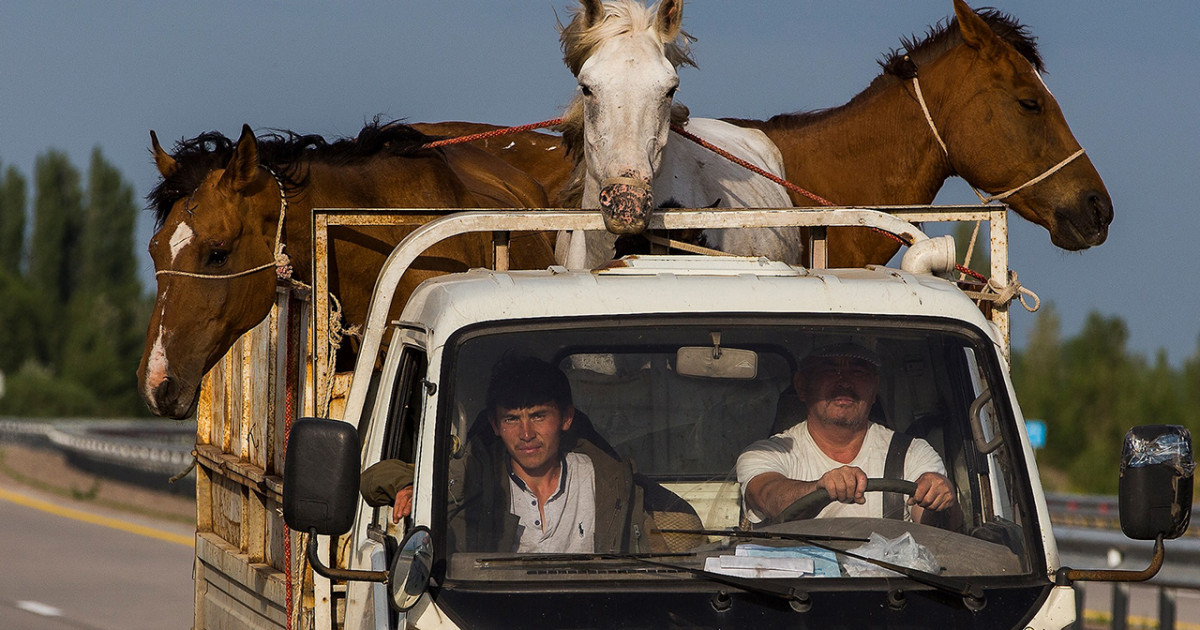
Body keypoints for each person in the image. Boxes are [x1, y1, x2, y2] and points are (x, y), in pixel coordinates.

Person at [361, 355, 664, 554]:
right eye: (511, 419)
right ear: (494, 424)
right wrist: (413, 485)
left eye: (539, 415)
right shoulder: (477, 477)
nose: (526, 433)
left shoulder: (605, 478)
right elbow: (373, 478)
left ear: (566, 418)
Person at [736, 342, 961, 527]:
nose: (843, 381)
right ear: (802, 386)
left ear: (874, 390)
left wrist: (941, 501)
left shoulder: (913, 453)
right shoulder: (766, 454)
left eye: (857, 371)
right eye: (829, 369)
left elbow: (938, 533)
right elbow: (768, 496)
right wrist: (818, 489)